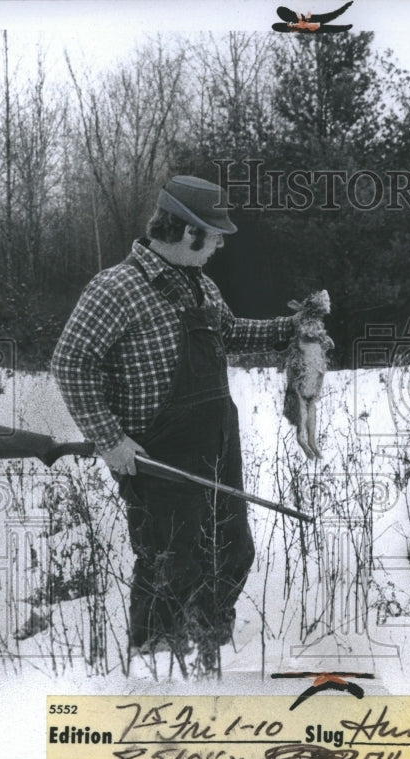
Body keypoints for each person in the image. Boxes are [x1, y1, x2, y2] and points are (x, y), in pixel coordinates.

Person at [52, 175, 294, 671]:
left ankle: (207, 654)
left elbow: (231, 333)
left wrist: (293, 328)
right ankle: (154, 669)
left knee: (232, 552)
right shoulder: (116, 288)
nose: (221, 244)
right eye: (215, 234)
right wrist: (111, 439)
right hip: (157, 458)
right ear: (187, 233)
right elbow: (70, 363)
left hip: (217, 448)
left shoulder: (200, 286)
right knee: (170, 565)